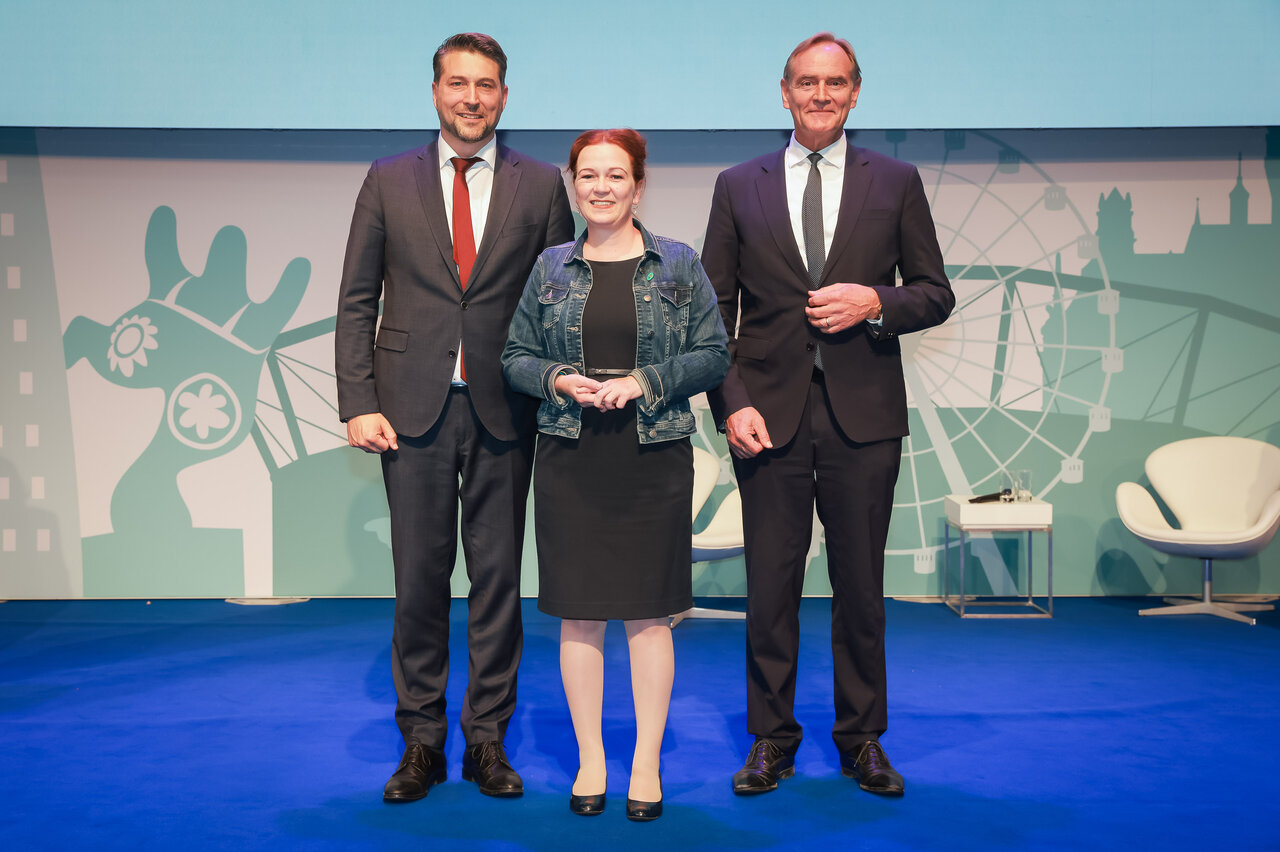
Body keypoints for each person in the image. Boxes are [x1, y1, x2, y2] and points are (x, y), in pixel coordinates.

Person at [703, 32, 954, 798]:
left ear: (854, 93)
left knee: (861, 589)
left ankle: (863, 741)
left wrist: (878, 301)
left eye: (835, 83)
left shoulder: (898, 181)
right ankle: (771, 740)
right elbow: (714, 311)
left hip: (864, 417)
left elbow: (935, 293)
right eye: (807, 83)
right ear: (784, 93)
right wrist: (730, 404)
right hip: (765, 420)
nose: (820, 95)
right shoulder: (737, 184)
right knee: (770, 591)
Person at [334, 32, 574, 803]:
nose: (472, 97)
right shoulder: (386, 179)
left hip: (510, 408)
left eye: (487, 85)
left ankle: (488, 743)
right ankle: (422, 744)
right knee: (419, 582)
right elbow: (356, 299)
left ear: (505, 96)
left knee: (499, 582)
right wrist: (359, 401)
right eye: (458, 83)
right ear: (435, 91)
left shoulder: (540, 186)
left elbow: (561, 303)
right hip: (410, 412)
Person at [502, 129, 729, 821]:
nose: (601, 187)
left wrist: (645, 380)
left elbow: (714, 353)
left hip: (652, 458)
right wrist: (559, 379)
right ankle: (592, 761)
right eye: (589, 175)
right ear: (574, 182)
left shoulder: (680, 264)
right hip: (570, 457)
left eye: (616, 175)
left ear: (638, 184)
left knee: (648, 616)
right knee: (579, 617)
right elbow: (514, 354)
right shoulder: (549, 267)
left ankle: (646, 765)